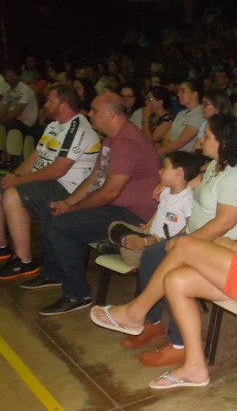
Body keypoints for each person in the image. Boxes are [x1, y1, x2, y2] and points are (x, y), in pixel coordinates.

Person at [90, 119, 237, 389]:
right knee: (176, 280)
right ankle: (194, 368)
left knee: (185, 245)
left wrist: (230, 245)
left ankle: (135, 313)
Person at [119, 113, 237, 367]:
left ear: (223, 142)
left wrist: (185, 242)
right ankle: (152, 323)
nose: (201, 140)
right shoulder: (216, 166)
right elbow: (193, 183)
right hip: (202, 238)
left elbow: (223, 224)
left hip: (227, 246)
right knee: (153, 255)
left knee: (172, 266)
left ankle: (180, 344)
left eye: (207, 136)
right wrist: (168, 185)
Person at [22, 94, 160, 315]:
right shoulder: (112, 139)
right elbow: (95, 179)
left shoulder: (126, 142)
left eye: (94, 110)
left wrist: (75, 208)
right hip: (116, 208)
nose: (89, 113)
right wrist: (67, 202)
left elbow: (109, 192)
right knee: (53, 210)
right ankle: (54, 272)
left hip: (135, 217)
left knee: (61, 225)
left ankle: (77, 294)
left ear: (111, 114)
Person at [0, 85, 101, 278]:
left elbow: (58, 170)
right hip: (46, 181)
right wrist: (15, 177)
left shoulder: (77, 129)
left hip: (67, 188)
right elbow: (36, 157)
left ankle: (24, 260)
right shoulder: (54, 125)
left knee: (13, 195)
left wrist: (18, 183)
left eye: (49, 101)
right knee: (4, 185)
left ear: (63, 105)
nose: (45, 104)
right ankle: (2, 246)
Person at [112, 151, 199, 267]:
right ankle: (137, 242)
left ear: (179, 172)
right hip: (149, 232)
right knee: (114, 225)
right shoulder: (165, 191)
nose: (159, 171)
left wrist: (174, 239)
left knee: (130, 256)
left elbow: (190, 225)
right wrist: (148, 224)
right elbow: (160, 210)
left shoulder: (187, 199)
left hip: (163, 241)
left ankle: (124, 245)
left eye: (164, 168)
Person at [158, 80, 204, 156]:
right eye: (179, 91)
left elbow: (180, 143)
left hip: (184, 158)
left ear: (194, 94)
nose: (178, 94)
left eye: (183, 91)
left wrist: (155, 153)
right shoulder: (181, 113)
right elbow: (167, 138)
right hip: (170, 155)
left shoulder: (199, 115)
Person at [0, 66, 38, 136]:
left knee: (4, 125)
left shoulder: (24, 89)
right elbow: (4, 108)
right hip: (14, 120)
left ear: (17, 75)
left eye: (11, 76)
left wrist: (1, 121)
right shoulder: (7, 90)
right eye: (7, 76)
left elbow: (16, 112)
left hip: (26, 122)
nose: (9, 78)